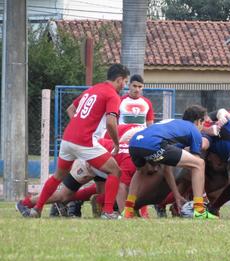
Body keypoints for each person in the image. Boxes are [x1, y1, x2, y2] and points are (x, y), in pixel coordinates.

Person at [17, 64, 129, 219]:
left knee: (57, 177)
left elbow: (70, 109)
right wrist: (116, 144)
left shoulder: (92, 89)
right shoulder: (112, 95)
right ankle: (108, 212)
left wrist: (79, 124)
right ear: (119, 79)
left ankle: (37, 209)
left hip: (68, 139)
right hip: (85, 142)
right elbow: (111, 122)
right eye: (125, 81)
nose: (125, 85)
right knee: (115, 170)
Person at [124, 105, 217, 219]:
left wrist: (177, 195)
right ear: (198, 121)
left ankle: (128, 210)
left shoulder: (175, 125)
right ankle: (199, 210)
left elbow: (167, 168)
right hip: (153, 143)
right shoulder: (194, 131)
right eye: (204, 123)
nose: (202, 127)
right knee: (199, 164)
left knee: (140, 172)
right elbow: (195, 166)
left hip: (134, 143)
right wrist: (203, 195)